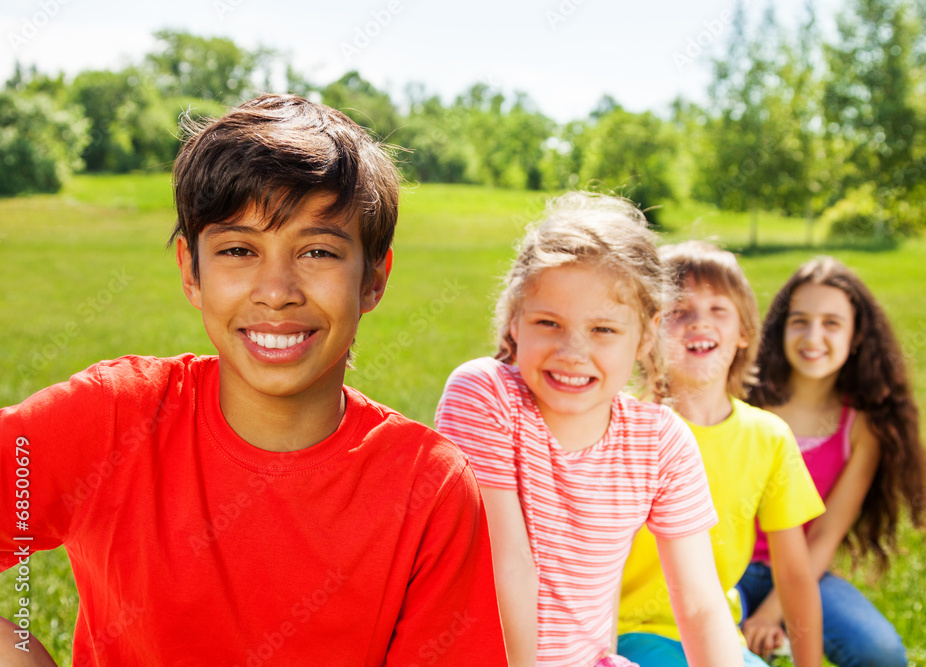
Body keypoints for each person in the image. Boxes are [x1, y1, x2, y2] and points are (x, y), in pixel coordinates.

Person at [0, 94, 507, 666]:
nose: (276, 289)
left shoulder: (428, 488)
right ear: (191, 272)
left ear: (374, 278)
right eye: (239, 249)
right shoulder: (111, 418)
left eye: (317, 251)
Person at [435, 193, 743, 667]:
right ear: (515, 321)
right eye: (548, 323)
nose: (572, 352)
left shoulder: (661, 443)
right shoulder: (486, 395)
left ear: (645, 336)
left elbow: (701, 605)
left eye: (603, 330)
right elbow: (506, 566)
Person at [616, 241, 825, 667]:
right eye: (680, 312)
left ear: (743, 330)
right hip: (622, 632)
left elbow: (794, 575)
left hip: (717, 634)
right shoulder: (621, 426)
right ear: (649, 330)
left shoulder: (769, 437)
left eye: (718, 310)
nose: (699, 324)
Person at [737, 256, 926, 666]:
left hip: (805, 571)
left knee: (880, 651)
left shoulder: (862, 426)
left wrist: (773, 613)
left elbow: (825, 535)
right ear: (780, 328)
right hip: (728, 569)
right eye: (800, 320)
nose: (813, 336)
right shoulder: (745, 400)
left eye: (832, 322)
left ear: (857, 334)